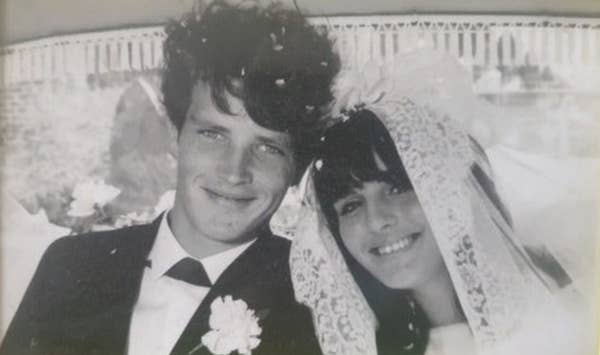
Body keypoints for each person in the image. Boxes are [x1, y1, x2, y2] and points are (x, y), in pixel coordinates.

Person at [1, 1, 339, 354]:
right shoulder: (70, 266)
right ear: (175, 136)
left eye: (268, 148)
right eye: (213, 134)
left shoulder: (316, 299)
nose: (234, 171)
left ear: (296, 168)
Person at [290, 56, 585, 355]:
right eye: (351, 205)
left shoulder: (563, 316)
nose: (377, 220)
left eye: (398, 188)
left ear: (455, 189)